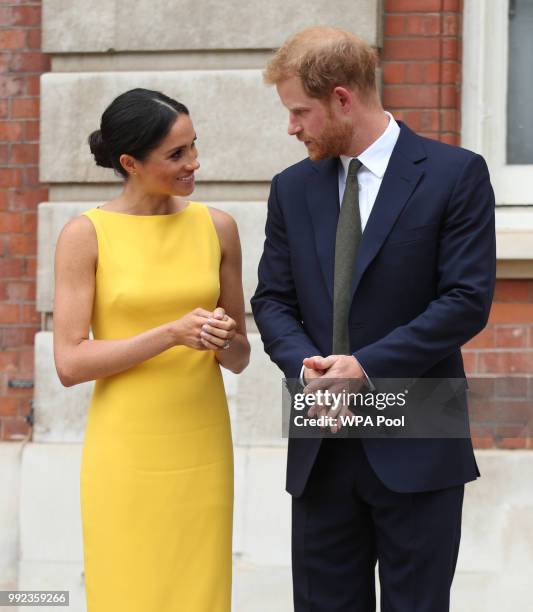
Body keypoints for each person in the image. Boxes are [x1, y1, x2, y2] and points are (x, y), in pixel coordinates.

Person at [251, 27, 496, 611]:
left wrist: (363, 367)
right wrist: (307, 371)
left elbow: (466, 300)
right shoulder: (291, 188)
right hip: (322, 440)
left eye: (299, 112)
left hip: (419, 434)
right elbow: (271, 301)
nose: (292, 127)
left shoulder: (455, 174)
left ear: (342, 98)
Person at [53, 88, 250, 612]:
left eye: (193, 147)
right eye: (176, 154)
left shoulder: (218, 228)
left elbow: (240, 357)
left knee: (199, 591)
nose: (194, 163)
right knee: (127, 589)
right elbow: (69, 363)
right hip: (126, 450)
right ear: (129, 163)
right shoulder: (85, 235)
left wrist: (222, 339)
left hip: (201, 448)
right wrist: (169, 334)